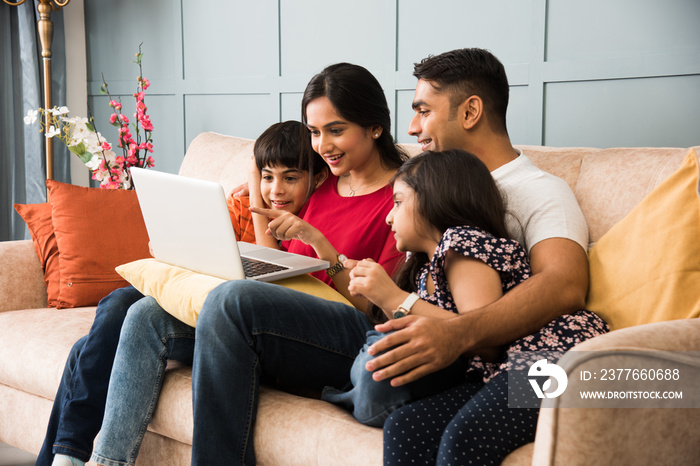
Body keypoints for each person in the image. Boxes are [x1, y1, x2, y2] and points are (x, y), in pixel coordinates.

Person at [88, 62, 407, 466]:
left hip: (348, 330)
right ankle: (106, 462)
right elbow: (273, 246)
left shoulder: (402, 195)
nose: (322, 144)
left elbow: (375, 308)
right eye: (314, 131)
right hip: (279, 318)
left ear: (375, 126)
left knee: (231, 299)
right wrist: (256, 178)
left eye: (336, 129)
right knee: (145, 313)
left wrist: (322, 248)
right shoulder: (322, 178)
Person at [38, 119, 329, 466]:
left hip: (238, 324)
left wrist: (257, 186)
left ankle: (71, 457)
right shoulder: (242, 208)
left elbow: (276, 280)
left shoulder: (310, 223)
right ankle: (64, 456)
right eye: (267, 176)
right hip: (203, 297)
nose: (276, 190)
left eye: (290, 178)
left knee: (119, 327)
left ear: (316, 177)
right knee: (91, 339)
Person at [369, 48, 608, 464]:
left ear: (470, 111)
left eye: (423, 111)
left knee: (467, 437)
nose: (412, 128)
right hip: (494, 363)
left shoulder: (539, 190)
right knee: (406, 429)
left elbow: (565, 284)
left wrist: (458, 333)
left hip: (558, 358)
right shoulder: (436, 191)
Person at [321, 148, 531, 427]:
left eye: (397, 202)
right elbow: (414, 323)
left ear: (435, 200)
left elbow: (487, 343)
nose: (389, 217)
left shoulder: (462, 245)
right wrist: (384, 298)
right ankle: (357, 391)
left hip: (533, 367)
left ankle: (354, 393)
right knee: (378, 353)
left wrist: (397, 298)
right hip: (470, 372)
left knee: (376, 363)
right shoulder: (423, 269)